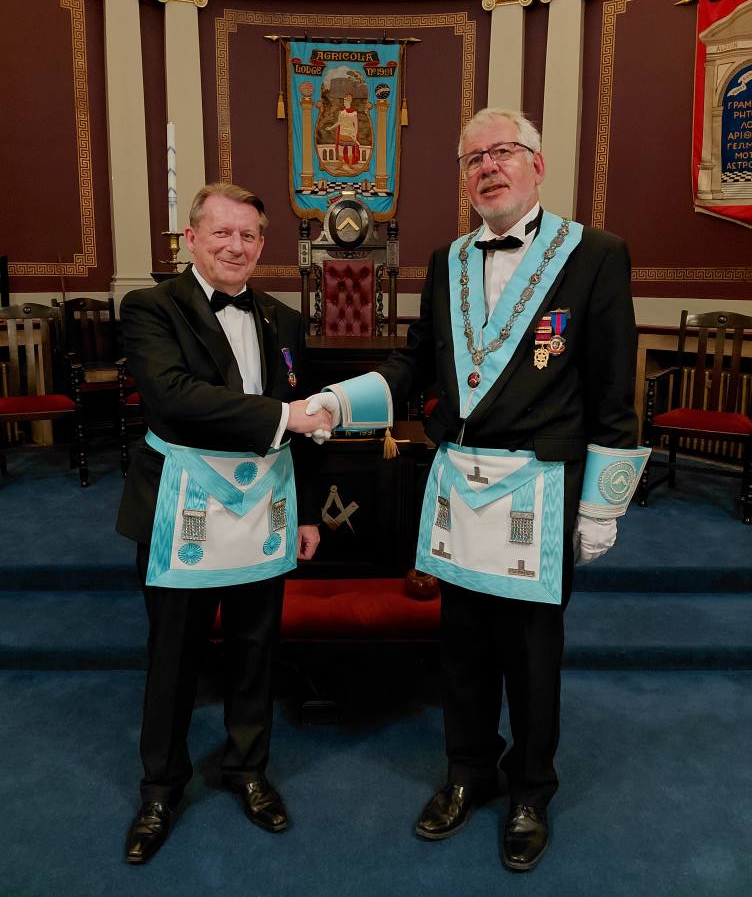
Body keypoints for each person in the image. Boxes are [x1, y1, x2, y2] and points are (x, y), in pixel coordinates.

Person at [306, 109, 648, 872]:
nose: (488, 167)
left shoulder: (595, 254)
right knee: (460, 646)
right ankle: (467, 772)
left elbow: (611, 391)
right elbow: (413, 366)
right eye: (473, 159)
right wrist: (336, 402)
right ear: (463, 176)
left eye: (503, 153)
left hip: (539, 489)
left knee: (531, 655)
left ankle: (530, 790)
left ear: (537, 164)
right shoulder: (447, 260)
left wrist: (602, 506)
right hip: (460, 485)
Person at [116, 182, 332, 865]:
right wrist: (284, 416)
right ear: (191, 238)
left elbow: (305, 421)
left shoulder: (283, 320)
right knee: (173, 659)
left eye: (248, 235)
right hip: (181, 505)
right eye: (222, 233)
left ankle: (248, 768)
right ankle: (160, 789)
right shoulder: (150, 308)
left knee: (253, 651)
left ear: (262, 244)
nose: (236, 246)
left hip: (263, 510)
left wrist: (308, 511)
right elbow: (174, 398)